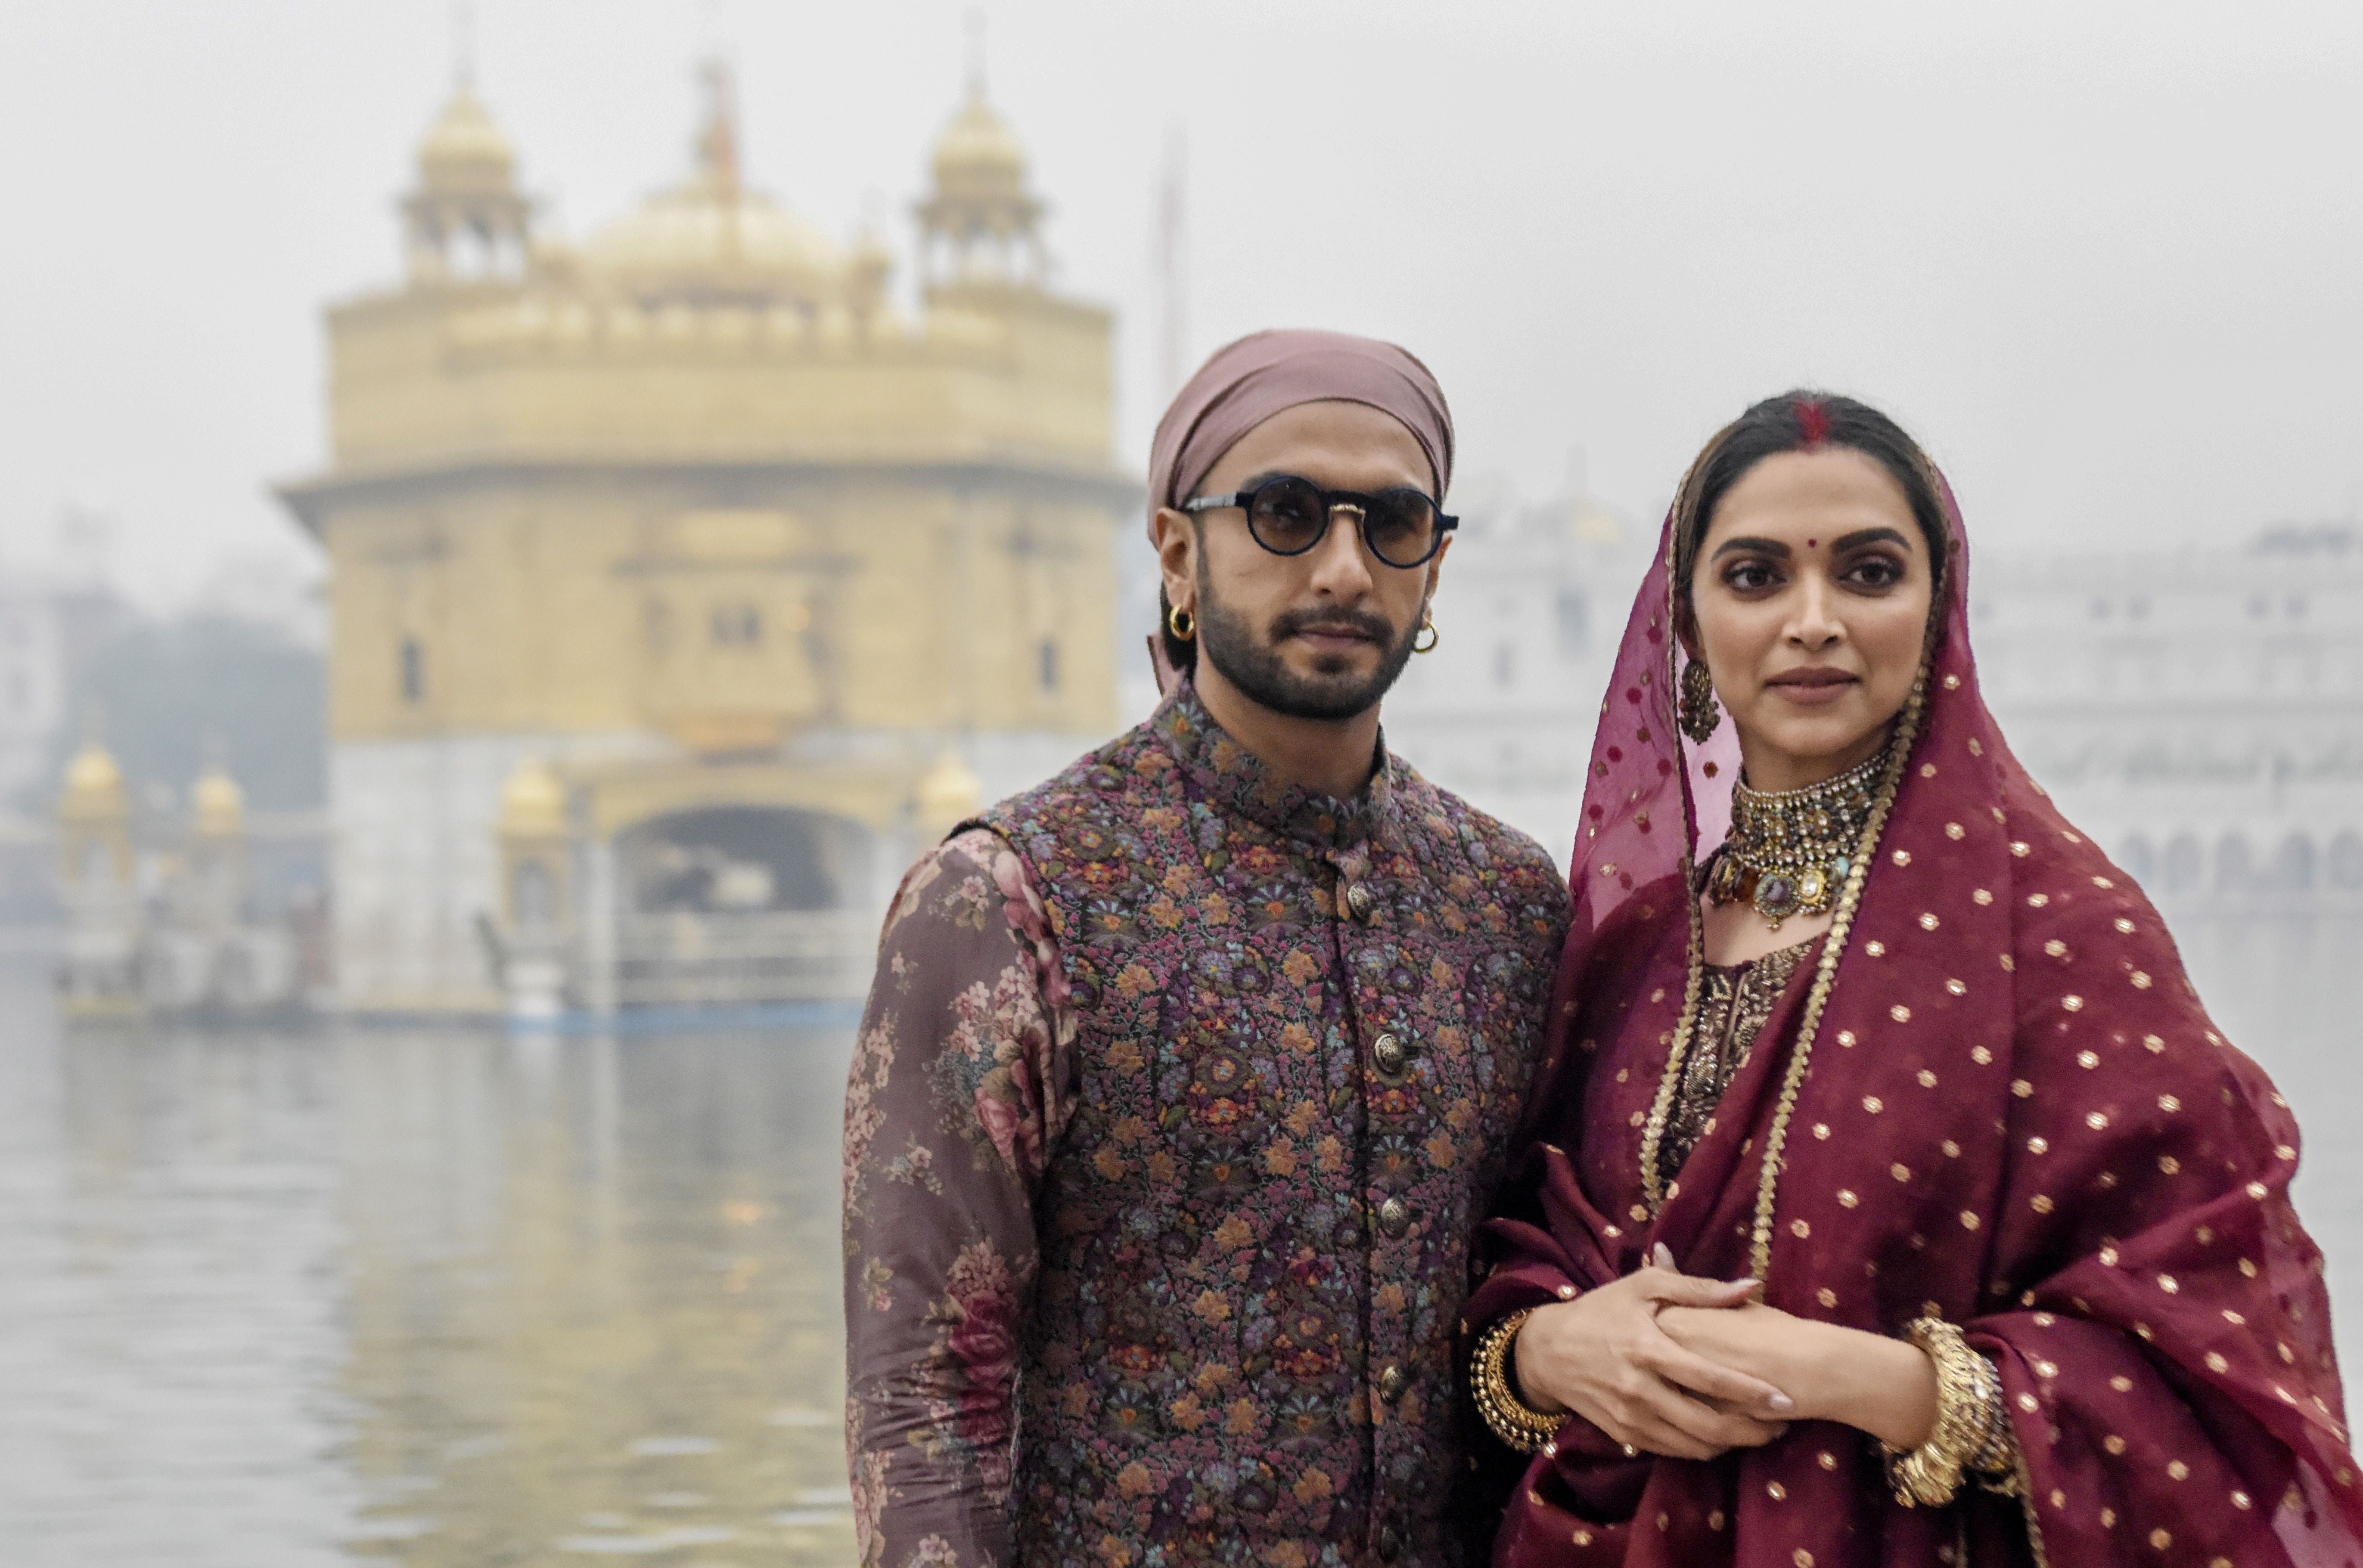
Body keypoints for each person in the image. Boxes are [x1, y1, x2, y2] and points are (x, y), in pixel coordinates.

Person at [1462, 391, 2363, 1566]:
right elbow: (1514, 1251)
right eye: (1756, 576)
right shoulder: (1632, 948)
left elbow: (2214, 1356)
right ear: (1686, 627)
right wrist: (1541, 1353)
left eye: (1871, 572)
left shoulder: (2056, 932)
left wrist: (1868, 1379)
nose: (1815, 620)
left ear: (1940, 611)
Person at [842, 329, 1571, 1567]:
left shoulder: (1504, 905)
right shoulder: (1010, 901)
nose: (1344, 567)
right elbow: (926, 1397)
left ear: (1435, 571)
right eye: (1284, 513)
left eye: (1391, 522)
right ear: (1179, 552)